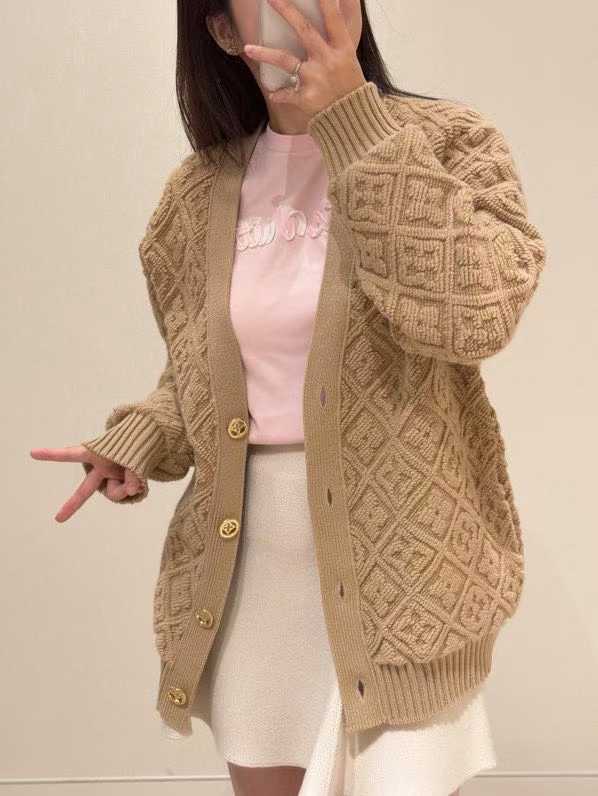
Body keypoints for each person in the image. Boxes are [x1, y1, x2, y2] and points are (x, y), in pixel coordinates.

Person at [31, 1, 546, 794]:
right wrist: (139, 439)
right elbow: (203, 377)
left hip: (406, 573)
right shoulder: (196, 194)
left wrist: (354, 125)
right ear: (222, 31)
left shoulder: (450, 142)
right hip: (253, 577)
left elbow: (475, 314)